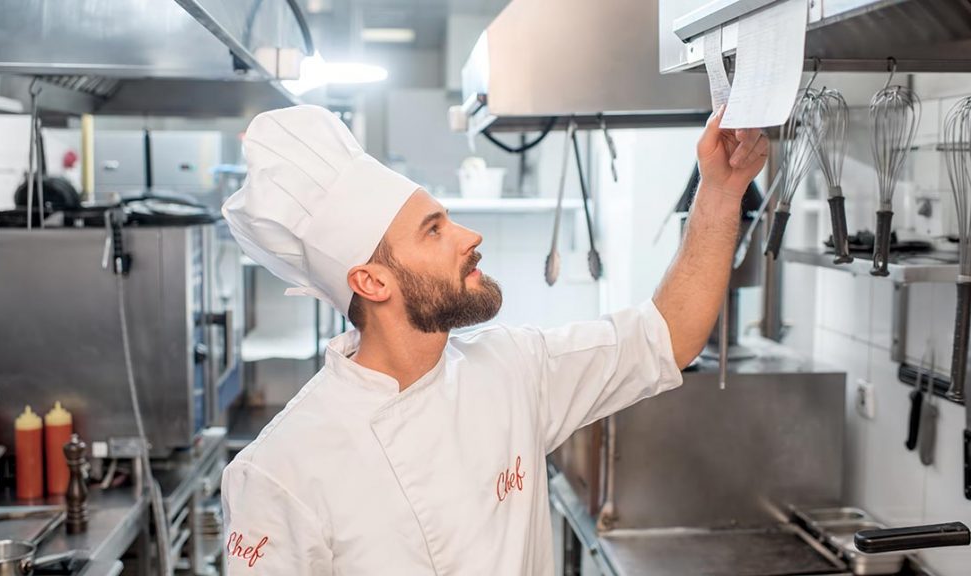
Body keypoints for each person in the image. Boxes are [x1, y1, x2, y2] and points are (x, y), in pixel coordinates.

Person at [220, 104, 767, 575]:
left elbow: (666, 336)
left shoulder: (512, 368)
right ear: (371, 281)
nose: (469, 236)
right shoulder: (279, 471)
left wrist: (721, 190)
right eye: (433, 230)